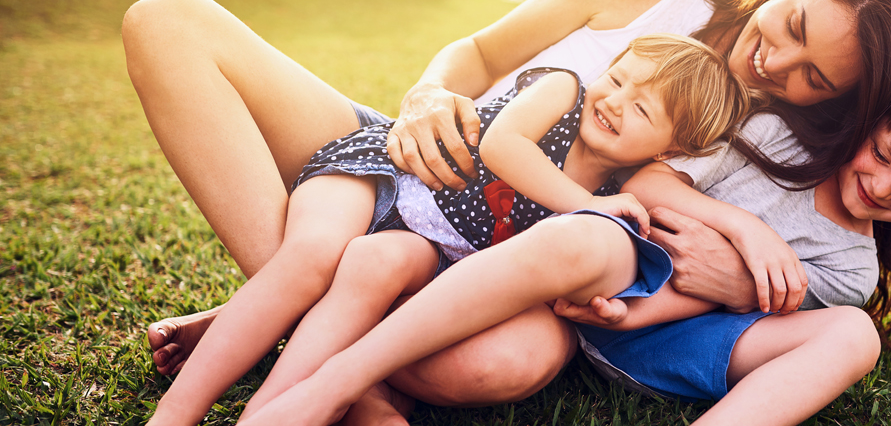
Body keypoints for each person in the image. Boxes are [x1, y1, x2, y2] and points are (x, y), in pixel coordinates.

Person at [122, 0, 891, 423]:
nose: (775, 61)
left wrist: (730, 277)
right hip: (429, 172)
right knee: (170, 21)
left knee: (491, 369)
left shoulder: (769, 131)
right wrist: (431, 95)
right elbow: (482, 54)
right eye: (790, 25)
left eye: (815, 78)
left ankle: (296, 327)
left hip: (508, 263)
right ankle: (298, 326)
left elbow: (737, 238)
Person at [232, 47, 891, 426]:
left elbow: (760, 311)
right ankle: (336, 382)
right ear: (873, 117)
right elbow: (650, 181)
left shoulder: (852, 265)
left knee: (854, 333)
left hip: (663, 336)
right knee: (596, 233)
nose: (883, 186)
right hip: (585, 274)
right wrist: (739, 227)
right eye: (884, 154)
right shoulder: (776, 138)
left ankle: (341, 364)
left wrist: (652, 312)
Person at [145, 34, 756, 425]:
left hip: (426, 246)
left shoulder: (623, 188)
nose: (617, 100)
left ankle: (270, 410)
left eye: (643, 107)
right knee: (309, 259)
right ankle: (178, 413)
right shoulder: (563, 92)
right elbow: (504, 147)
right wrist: (587, 206)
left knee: (374, 269)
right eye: (620, 77)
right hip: (383, 177)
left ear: (673, 146)